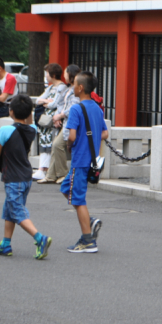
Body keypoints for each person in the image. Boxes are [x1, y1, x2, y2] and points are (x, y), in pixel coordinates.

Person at [0, 94, 52, 260]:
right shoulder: (32, 129)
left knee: (16, 211)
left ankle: (40, 238)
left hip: (13, 178)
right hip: (26, 177)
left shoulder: (5, 130)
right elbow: (28, 122)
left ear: (11, 112)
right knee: (10, 210)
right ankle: (5, 244)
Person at [61, 71, 108, 253]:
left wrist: (69, 144)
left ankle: (88, 240)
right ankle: (89, 221)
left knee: (78, 199)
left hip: (79, 159)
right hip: (90, 160)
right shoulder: (97, 108)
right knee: (67, 189)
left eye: (74, 84)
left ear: (80, 88)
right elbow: (105, 133)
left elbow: (71, 135)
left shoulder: (76, 109)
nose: (72, 86)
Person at [38, 64, 81, 185]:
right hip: (66, 122)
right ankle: (51, 175)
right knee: (55, 146)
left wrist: (60, 115)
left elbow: (74, 107)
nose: (64, 75)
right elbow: (61, 104)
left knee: (57, 145)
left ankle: (62, 173)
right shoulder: (69, 89)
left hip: (71, 123)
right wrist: (58, 115)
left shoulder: (75, 90)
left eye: (66, 73)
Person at [32, 63, 67, 180]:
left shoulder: (61, 87)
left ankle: (46, 170)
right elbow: (38, 100)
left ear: (52, 74)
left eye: (47, 73)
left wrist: (46, 103)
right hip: (46, 120)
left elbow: (54, 104)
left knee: (51, 143)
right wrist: (47, 101)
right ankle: (42, 169)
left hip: (54, 119)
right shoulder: (50, 87)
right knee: (44, 142)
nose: (46, 76)